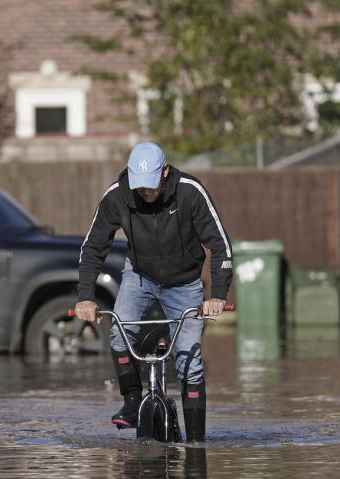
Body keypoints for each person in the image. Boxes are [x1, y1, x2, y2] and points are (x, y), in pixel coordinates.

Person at [75, 141, 233, 442]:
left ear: (165, 171)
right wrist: (85, 296)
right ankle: (133, 400)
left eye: (150, 185)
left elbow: (220, 245)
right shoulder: (118, 196)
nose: (145, 192)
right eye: (139, 186)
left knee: (190, 359)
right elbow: (93, 247)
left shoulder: (190, 192)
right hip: (140, 276)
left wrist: (218, 295)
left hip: (185, 283)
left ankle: (196, 443)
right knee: (120, 333)